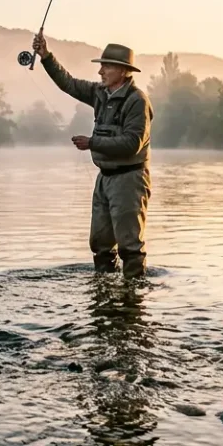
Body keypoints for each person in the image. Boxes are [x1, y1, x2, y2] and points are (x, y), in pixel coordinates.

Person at [32, 31, 153, 277]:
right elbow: (68, 83)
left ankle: (132, 300)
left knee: (130, 248)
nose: (100, 72)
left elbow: (133, 143)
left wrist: (92, 143)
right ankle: (104, 294)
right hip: (104, 179)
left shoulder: (137, 101)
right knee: (100, 246)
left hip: (129, 180)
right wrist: (46, 56)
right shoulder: (99, 93)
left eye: (106, 67)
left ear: (122, 70)